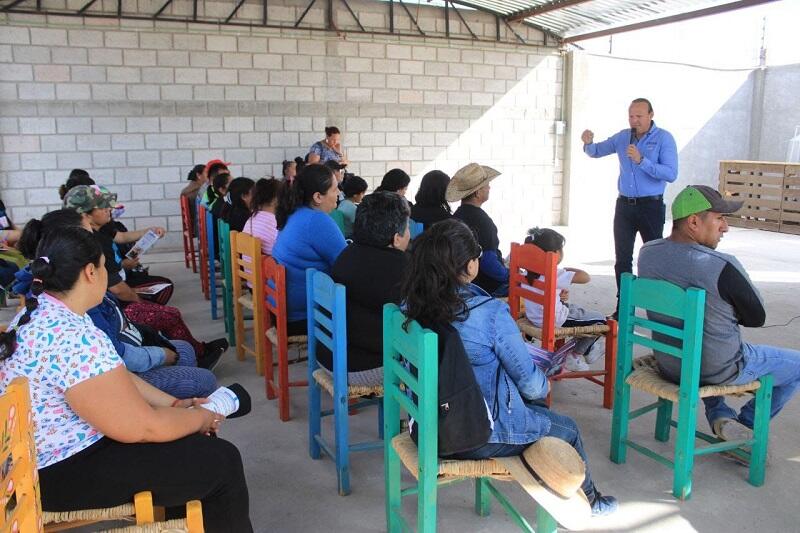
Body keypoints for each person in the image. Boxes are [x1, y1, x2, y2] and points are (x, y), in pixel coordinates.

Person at [0, 226, 253, 532]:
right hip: (55, 473)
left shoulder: (43, 313)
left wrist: (175, 404)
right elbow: (145, 427)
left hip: (40, 461)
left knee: (184, 440)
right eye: (105, 266)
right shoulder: (72, 337)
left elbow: (118, 378)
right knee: (221, 461)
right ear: (91, 272)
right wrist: (201, 416)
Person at [400, 219, 618, 516]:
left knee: (528, 403)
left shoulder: (409, 305)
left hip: (423, 424)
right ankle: (591, 503)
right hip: (475, 435)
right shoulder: (489, 313)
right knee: (567, 428)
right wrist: (544, 380)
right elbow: (530, 384)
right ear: (470, 265)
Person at [638, 184, 800, 443]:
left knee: (704, 346)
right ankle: (745, 427)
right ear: (693, 221)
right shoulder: (720, 265)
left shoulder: (647, 253)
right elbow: (756, 318)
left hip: (670, 363)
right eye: (720, 218)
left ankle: (720, 415)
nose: (725, 227)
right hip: (717, 369)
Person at [62, 189, 228, 363]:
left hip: (111, 303)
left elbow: (121, 238)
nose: (108, 210)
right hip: (114, 310)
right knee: (169, 314)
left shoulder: (98, 230)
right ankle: (196, 358)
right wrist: (139, 301)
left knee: (164, 297)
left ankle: (194, 351)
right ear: (85, 215)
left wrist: (149, 231)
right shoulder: (91, 244)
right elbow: (117, 289)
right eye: (102, 207)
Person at [581, 98, 678, 315]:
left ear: (651, 115)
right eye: (631, 116)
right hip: (624, 206)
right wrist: (588, 143)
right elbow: (597, 151)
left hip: (650, 207)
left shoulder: (664, 138)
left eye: (639, 116)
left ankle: (658, 309)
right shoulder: (623, 137)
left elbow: (671, 174)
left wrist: (642, 160)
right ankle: (624, 307)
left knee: (653, 259)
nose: (634, 120)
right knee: (622, 259)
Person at [325, 191, 410, 381]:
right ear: (396, 238)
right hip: (359, 366)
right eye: (408, 228)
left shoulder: (347, 254)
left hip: (329, 353)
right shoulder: (401, 269)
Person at [272, 164, 347, 335]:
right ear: (318, 197)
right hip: (304, 316)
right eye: (335, 189)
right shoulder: (317, 221)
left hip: (283, 309)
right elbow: (347, 265)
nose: (339, 194)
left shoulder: (295, 212)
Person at [522, 228, 606, 372]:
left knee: (578, 311)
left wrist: (558, 294)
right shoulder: (554, 273)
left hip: (534, 317)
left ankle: (588, 349)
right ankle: (575, 354)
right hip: (555, 319)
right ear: (555, 253)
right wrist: (566, 269)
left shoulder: (527, 271)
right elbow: (585, 277)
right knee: (601, 319)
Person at [449, 163, 508, 297]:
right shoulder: (483, 222)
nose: (489, 187)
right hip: (486, 287)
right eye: (486, 185)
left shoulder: (455, 217)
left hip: (462, 283)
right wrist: (510, 276)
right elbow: (489, 263)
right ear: (477, 192)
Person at [242, 177, 282, 256]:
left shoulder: (252, 218)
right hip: (263, 268)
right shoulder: (274, 223)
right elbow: (282, 253)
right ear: (275, 200)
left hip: (248, 267)